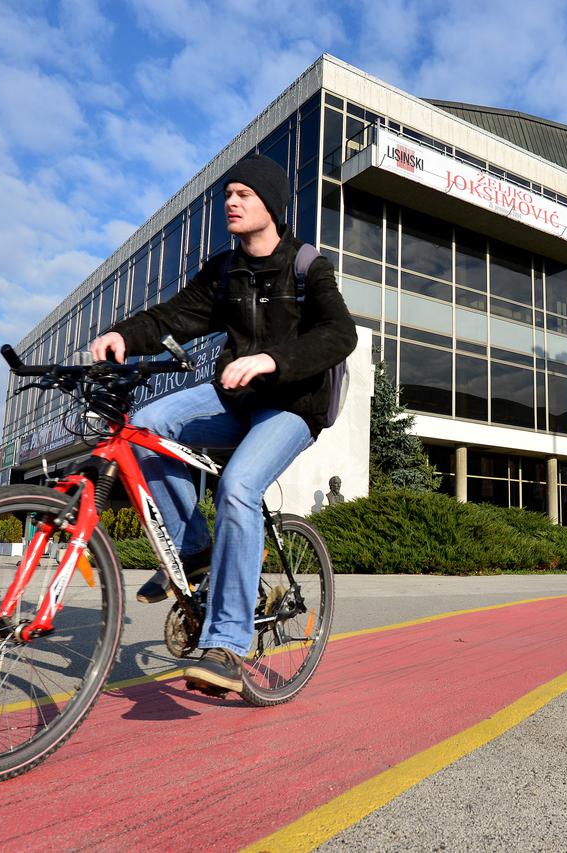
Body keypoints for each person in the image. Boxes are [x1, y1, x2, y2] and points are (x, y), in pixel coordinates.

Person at [90, 155, 356, 693]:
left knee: (237, 487)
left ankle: (229, 644)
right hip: (236, 399)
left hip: (294, 404)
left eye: (243, 194)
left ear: (271, 206)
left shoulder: (307, 266)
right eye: (228, 194)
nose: (230, 203)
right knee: (147, 425)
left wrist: (273, 360)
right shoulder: (225, 271)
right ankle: (195, 553)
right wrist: (124, 334)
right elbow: (171, 318)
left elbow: (339, 334)